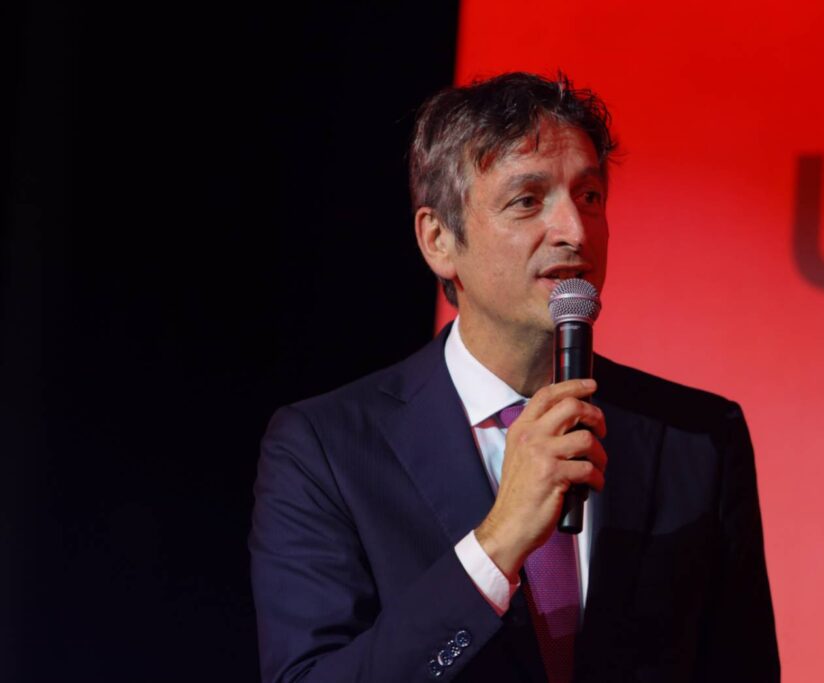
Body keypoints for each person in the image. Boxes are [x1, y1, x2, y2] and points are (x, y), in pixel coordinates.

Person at [249, 72, 779, 682]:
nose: (575, 231)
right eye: (528, 200)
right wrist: (496, 545)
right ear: (438, 240)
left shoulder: (698, 439)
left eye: (590, 196)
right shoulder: (326, 449)